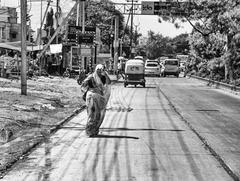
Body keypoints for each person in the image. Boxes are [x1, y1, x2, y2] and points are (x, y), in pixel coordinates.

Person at [81, 64, 111, 137]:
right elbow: (83, 84)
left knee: (96, 114)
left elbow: (109, 83)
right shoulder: (91, 77)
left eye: (101, 70)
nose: (99, 72)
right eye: (98, 70)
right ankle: (90, 131)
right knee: (93, 114)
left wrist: (106, 75)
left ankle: (93, 130)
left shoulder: (103, 77)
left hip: (96, 97)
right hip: (93, 97)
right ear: (96, 70)